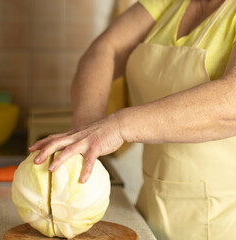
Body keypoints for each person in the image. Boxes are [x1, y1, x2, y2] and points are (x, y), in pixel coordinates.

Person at [29, 0, 236, 239]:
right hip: (151, 212)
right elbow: (106, 48)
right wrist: (87, 123)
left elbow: (231, 103)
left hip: (225, 222)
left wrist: (118, 127)